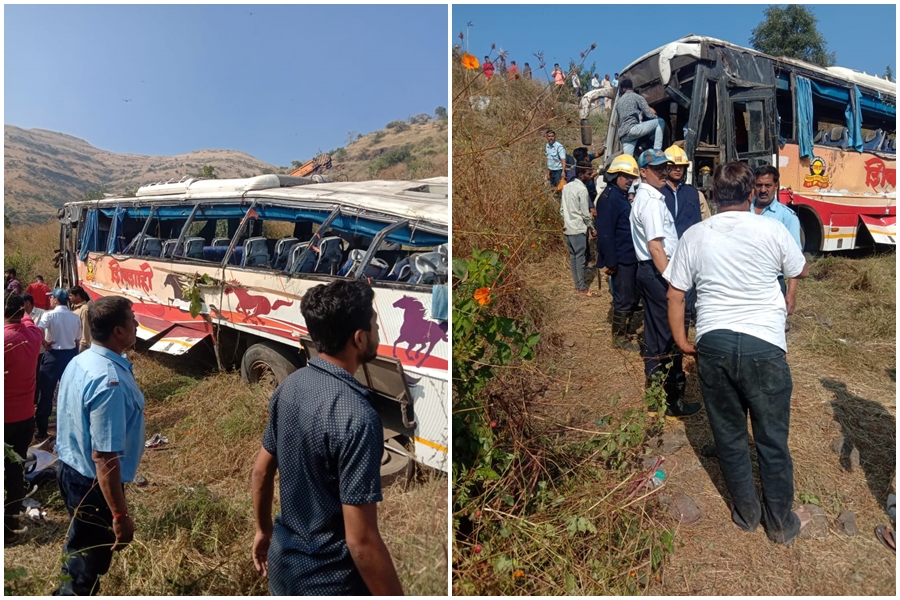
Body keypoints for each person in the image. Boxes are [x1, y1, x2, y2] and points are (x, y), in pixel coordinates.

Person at [664, 161, 809, 545]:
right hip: (764, 344)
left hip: (714, 343)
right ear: (751, 195)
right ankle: (779, 524)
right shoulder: (773, 228)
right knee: (772, 440)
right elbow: (800, 269)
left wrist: (682, 341)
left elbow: (675, 294)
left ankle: (746, 515)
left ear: (713, 195)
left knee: (729, 436)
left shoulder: (695, 235)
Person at [251, 280, 404, 595]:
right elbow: (361, 542)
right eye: (374, 325)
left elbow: (261, 471)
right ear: (359, 338)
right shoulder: (358, 417)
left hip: (284, 568)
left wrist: (263, 531)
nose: (376, 331)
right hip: (329, 583)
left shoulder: (288, 388)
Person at [54, 295, 145, 594]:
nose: (136, 323)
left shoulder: (82, 361)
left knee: (78, 546)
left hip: (69, 470)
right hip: (91, 486)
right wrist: (120, 515)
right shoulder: (108, 381)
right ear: (118, 331)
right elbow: (104, 457)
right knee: (87, 566)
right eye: (132, 319)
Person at [630, 149, 699, 417]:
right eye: (656, 168)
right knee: (672, 335)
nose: (662, 172)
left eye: (664, 167)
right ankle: (672, 400)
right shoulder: (652, 202)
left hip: (650, 272)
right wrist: (674, 283)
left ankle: (656, 396)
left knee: (656, 335)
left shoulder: (647, 198)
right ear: (642, 172)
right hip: (658, 272)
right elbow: (656, 248)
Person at [4, 292, 43, 546]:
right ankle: (10, 528)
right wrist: (24, 311)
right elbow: (28, 321)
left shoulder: (4, 339)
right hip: (24, 418)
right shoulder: (33, 336)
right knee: (15, 472)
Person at [597, 154, 642, 351]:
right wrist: (611, 262)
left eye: (631, 178)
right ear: (615, 176)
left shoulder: (619, 196)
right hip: (621, 259)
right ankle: (619, 338)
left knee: (631, 297)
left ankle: (624, 331)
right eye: (626, 177)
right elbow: (606, 234)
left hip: (629, 257)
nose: (629, 181)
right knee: (623, 299)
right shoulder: (609, 199)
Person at [661, 145, 708, 331]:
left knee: (688, 294)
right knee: (668, 295)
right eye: (673, 165)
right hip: (665, 254)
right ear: (665, 167)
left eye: (681, 165)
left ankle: (684, 328)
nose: (678, 169)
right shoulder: (656, 193)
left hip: (690, 253)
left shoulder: (694, 194)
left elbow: (706, 221)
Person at [752, 165, 802, 318]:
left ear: (776, 186)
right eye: (759, 185)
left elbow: (794, 259)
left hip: (773, 284)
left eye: (768, 185)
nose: (763, 190)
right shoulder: (743, 211)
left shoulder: (787, 217)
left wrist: (791, 293)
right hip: (745, 282)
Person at [35, 288, 82, 440]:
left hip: (53, 356)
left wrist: (44, 342)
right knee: (70, 394)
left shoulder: (49, 315)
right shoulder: (74, 317)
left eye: (51, 298)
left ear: (56, 299)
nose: (50, 300)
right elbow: (77, 340)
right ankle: (71, 429)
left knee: (46, 394)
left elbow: (39, 329)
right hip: (69, 356)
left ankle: (42, 431)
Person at [561, 161, 597, 297]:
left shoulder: (566, 187)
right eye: (589, 174)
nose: (591, 176)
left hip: (568, 228)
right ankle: (582, 288)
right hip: (578, 228)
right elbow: (584, 213)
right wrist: (592, 228)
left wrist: (567, 221)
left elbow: (562, 210)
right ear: (581, 175)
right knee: (580, 259)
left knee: (573, 257)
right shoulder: (582, 190)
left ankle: (578, 285)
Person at [614, 78, 665, 158]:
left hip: (624, 136)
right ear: (632, 87)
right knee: (660, 122)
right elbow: (649, 114)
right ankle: (657, 153)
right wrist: (656, 118)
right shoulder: (637, 97)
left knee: (628, 161)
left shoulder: (618, 103)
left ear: (623, 89)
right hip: (633, 129)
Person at [22, 294, 48, 407]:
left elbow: (46, 331)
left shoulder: (42, 313)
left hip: (40, 352)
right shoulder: (19, 314)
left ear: (28, 303)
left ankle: (35, 401)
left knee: (38, 377)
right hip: (25, 352)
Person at [69, 285, 93, 353]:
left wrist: (83, 345)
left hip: (82, 346)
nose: (69, 298)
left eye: (71, 295)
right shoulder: (76, 308)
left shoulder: (84, 309)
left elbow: (86, 327)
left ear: (78, 296)